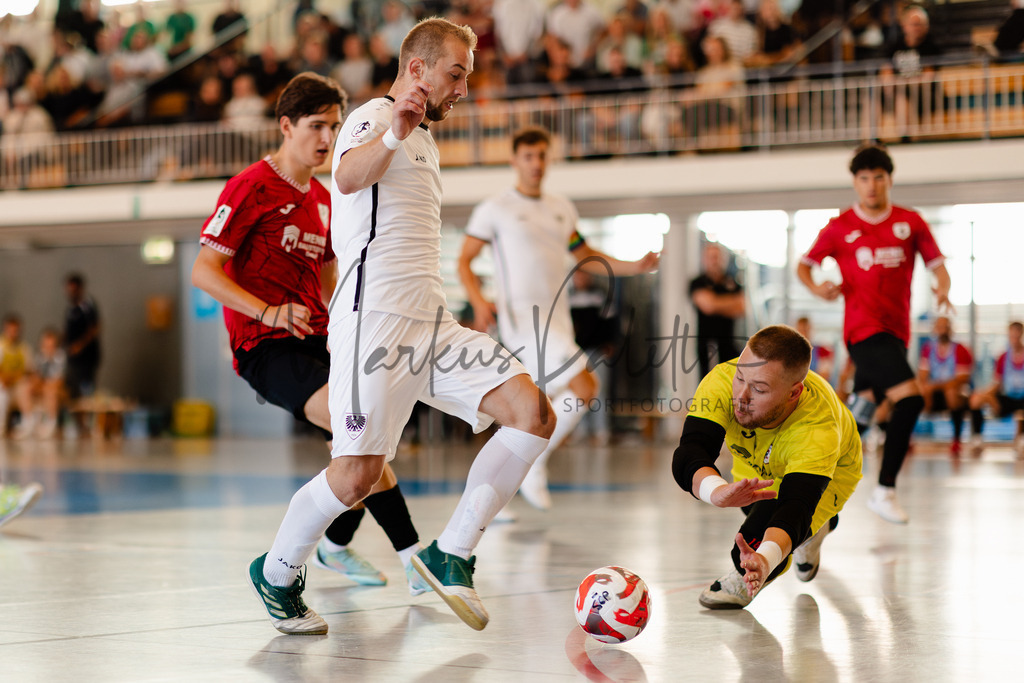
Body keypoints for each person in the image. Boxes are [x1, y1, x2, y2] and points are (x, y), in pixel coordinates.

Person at [246, 18, 556, 636]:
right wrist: (393, 130)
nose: (463, 88)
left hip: (433, 324)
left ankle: (453, 552)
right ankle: (277, 571)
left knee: (534, 412)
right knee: (357, 474)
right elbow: (347, 176)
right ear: (417, 69)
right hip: (374, 325)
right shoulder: (372, 117)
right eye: (456, 74)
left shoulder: (426, 139)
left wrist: (406, 134)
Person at [192, 73, 427, 606]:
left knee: (360, 446)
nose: (326, 138)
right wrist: (268, 312)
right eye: (315, 126)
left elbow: (327, 277)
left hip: (318, 342)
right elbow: (204, 272)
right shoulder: (251, 185)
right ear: (285, 126)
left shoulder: (325, 198)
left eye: (334, 126)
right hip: (264, 346)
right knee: (358, 433)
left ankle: (337, 544)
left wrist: (342, 329)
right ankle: (413, 558)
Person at [458, 126, 659, 510]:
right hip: (524, 323)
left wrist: (634, 266)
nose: (536, 164)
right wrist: (478, 300)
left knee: (532, 413)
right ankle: (535, 466)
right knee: (585, 388)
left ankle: (492, 497)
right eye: (528, 157)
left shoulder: (560, 207)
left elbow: (584, 254)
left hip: (558, 320)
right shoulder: (494, 209)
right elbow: (464, 260)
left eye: (541, 156)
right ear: (515, 160)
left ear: (549, 159)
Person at [797, 144, 951, 525]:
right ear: (855, 182)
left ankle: (815, 505)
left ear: (889, 180)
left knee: (859, 417)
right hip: (864, 332)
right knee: (911, 401)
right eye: (864, 178)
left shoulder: (910, 222)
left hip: (897, 334)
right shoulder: (839, 227)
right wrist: (818, 289)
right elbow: (805, 266)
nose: (871, 185)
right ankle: (884, 490)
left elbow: (937, 265)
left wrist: (943, 289)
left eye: (878, 178)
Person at [671, 324, 862, 609]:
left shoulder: (818, 429)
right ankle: (812, 534)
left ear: (793, 393)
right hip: (758, 465)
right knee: (761, 521)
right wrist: (716, 491)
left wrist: (765, 560)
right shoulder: (723, 381)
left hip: (833, 471)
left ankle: (809, 533)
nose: (741, 397)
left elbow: (795, 507)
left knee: (754, 547)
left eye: (759, 389)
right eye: (740, 377)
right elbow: (691, 451)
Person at [918, 316, 973, 457]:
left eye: (946, 327)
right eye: (940, 327)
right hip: (934, 393)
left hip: (954, 392)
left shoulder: (961, 350)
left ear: (951, 329)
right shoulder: (928, 349)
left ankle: (956, 439)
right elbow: (922, 376)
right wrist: (928, 388)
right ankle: (907, 440)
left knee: (951, 392)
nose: (943, 330)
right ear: (935, 329)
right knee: (917, 393)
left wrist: (936, 386)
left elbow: (962, 379)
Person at [690, 242, 745, 378]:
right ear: (704, 259)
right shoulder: (698, 282)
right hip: (707, 343)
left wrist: (716, 302)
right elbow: (708, 306)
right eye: (711, 257)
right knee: (708, 381)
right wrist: (729, 302)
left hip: (729, 343)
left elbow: (741, 307)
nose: (715, 261)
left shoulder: (732, 282)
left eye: (717, 257)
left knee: (729, 382)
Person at [968, 321, 1024, 456]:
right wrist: (982, 395)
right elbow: (997, 384)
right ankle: (977, 439)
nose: (1014, 339)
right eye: (1012, 335)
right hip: (1008, 398)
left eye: (1017, 335)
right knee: (976, 400)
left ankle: (1021, 439)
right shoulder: (1004, 358)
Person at [13, 327, 67, 440]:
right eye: (45, 345)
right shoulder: (39, 357)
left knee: (50, 390)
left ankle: (50, 423)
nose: (47, 349)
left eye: (50, 346)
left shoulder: (61, 357)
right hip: (43, 386)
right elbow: (35, 377)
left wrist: (43, 383)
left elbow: (59, 381)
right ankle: (28, 420)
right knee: (23, 386)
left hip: (56, 389)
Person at [0, 315, 33, 438]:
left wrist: (14, 377)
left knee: (25, 386)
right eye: (10, 330)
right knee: (1, 391)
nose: (13, 333)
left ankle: (28, 423)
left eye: (15, 330)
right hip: (4, 385)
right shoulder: (1, 346)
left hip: (17, 385)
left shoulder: (24, 348)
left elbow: (29, 370)